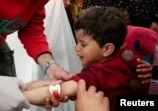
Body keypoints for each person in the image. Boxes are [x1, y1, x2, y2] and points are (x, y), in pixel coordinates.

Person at [15, 6, 155, 111]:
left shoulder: (96, 74)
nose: (77, 48)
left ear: (107, 49)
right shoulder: (120, 59)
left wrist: (15, 96)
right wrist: (31, 86)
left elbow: (59, 90)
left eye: (83, 44)